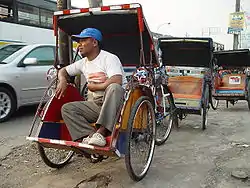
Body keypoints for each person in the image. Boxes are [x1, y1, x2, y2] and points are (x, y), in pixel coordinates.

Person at [56, 28, 126, 147]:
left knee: (114, 87)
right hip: (95, 104)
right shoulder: (83, 63)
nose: (79, 45)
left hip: (116, 105)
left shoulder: (109, 58)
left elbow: (117, 80)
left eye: (83, 41)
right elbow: (63, 71)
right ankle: (89, 137)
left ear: (94, 43)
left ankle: (101, 132)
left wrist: (96, 87)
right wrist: (62, 80)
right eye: (79, 42)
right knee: (67, 108)